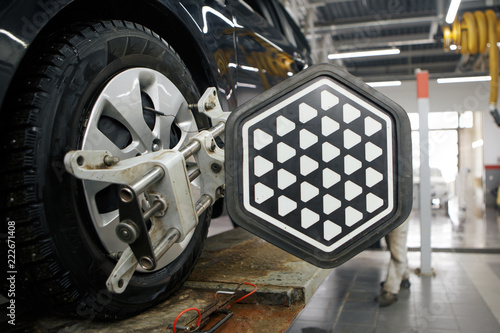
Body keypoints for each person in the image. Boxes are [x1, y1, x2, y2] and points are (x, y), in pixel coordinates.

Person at [375, 219, 411, 307]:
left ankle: (391, 291)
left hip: (399, 212)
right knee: (394, 245)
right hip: (391, 212)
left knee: (397, 250)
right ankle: (404, 278)